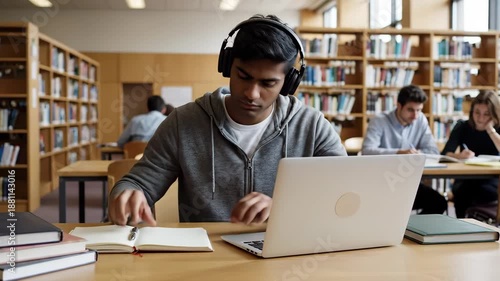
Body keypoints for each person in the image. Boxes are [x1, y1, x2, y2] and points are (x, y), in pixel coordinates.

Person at [108, 14, 347, 226]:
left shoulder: (312, 126)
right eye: (243, 76)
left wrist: (285, 207)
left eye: (268, 83)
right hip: (207, 258)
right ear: (227, 66)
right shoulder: (183, 122)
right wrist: (129, 193)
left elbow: (344, 191)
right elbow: (138, 181)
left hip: (285, 256)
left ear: (289, 83)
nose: (252, 93)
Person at [362, 84, 448, 214]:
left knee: (439, 203)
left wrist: (418, 154)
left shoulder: (420, 120)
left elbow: (433, 151)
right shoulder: (379, 121)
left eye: (418, 110)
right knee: (389, 208)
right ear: (399, 105)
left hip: (409, 182)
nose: (415, 115)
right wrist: (399, 153)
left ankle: (413, 232)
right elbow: (367, 151)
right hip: (382, 184)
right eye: (410, 110)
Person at [441, 91, 500, 218]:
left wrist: (490, 130)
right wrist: (459, 156)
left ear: (494, 115)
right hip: (465, 179)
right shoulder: (462, 126)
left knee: (483, 192)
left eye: (486, 114)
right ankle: (462, 227)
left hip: (492, 180)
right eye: (477, 112)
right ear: (471, 111)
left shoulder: (497, 129)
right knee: (464, 192)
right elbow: (444, 154)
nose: (480, 118)